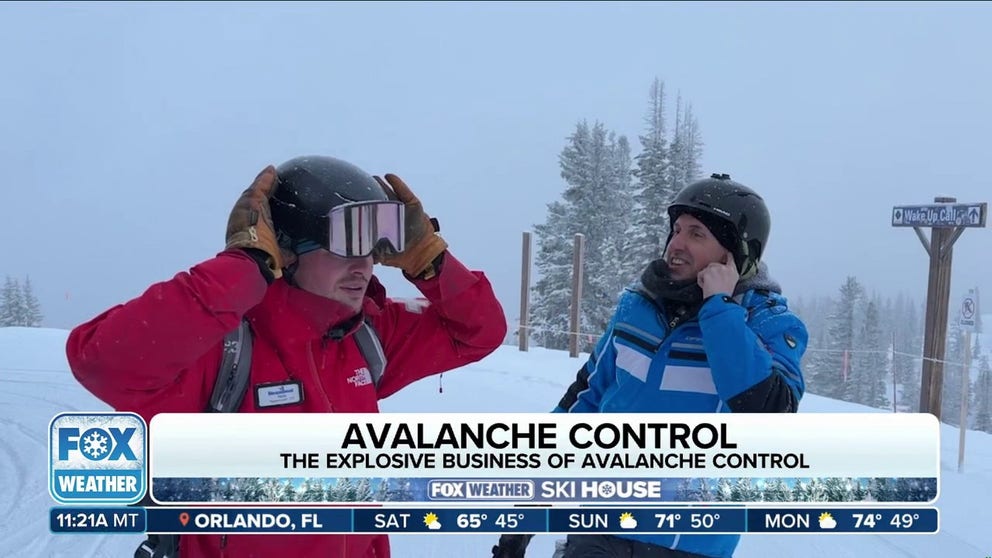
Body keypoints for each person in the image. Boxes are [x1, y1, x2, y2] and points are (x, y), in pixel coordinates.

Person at [66, 155, 507, 558]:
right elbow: (100, 361)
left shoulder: (366, 333)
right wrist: (243, 265)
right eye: (343, 248)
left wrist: (431, 261)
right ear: (287, 251)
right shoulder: (225, 348)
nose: (364, 266)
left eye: (371, 249)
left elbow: (479, 331)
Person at [493, 173, 807, 558]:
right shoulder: (637, 307)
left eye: (696, 234)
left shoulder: (767, 323)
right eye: (676, 230)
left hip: (690, 543)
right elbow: (581, 408)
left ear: (736, 254)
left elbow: (771, 412)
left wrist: (718, 310)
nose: (676, 244)